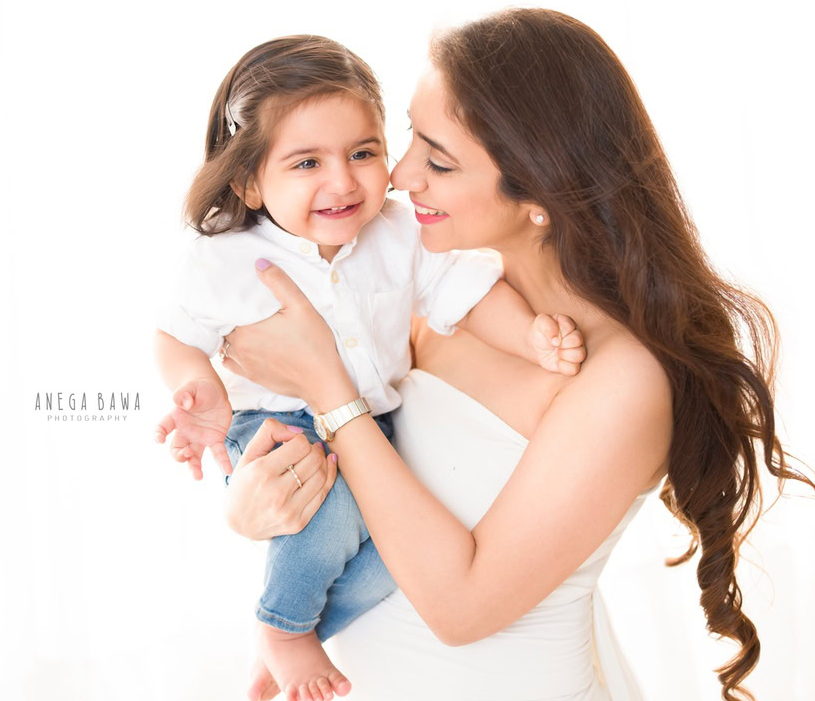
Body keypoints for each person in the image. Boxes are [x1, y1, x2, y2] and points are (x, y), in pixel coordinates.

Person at [213, 9, 815, 701]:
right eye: (411, 136)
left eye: (438, 160)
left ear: (538, 192)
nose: (398, 176)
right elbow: (358, 484)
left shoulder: (622, 377)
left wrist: (332, 391)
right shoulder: (427, 301)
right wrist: (253, 505)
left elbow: (462, 607)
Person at [152, 35, 587, 699]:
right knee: (319, 522)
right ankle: (284, 628)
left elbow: (464, 294)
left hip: (366, 426)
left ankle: (302, 626)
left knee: (392, 560)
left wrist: (532, 335)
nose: (343, 181)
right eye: (306, 163)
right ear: (247, 181)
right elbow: (177, 337)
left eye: (363, 152)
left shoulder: (398, 233)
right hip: (276, 424)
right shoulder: (227, 258)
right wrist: (199, 394)